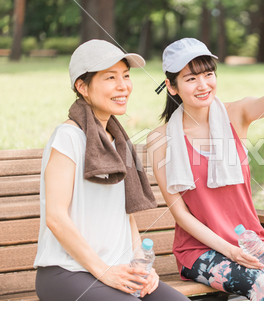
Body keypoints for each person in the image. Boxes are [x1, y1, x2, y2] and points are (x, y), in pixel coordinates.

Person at [147, 38, 264, 301]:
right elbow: (180, 214)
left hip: (250, 241)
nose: (203, 85)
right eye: (191, 79)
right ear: (171, 86)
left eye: (208, 74)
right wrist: (229, 250)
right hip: (199, 251)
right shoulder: (162, 140)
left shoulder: (234, 115)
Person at [33, 39, 189, 301]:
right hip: (67, 273)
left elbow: (125, 215)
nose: (123, 86)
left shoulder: (117, 140)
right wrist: (104, 272)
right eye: (110, 77)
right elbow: (56, 218)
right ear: (82, 87)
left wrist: (142, 265)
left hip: (118, 268)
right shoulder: (68, 137)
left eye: (126, 76)